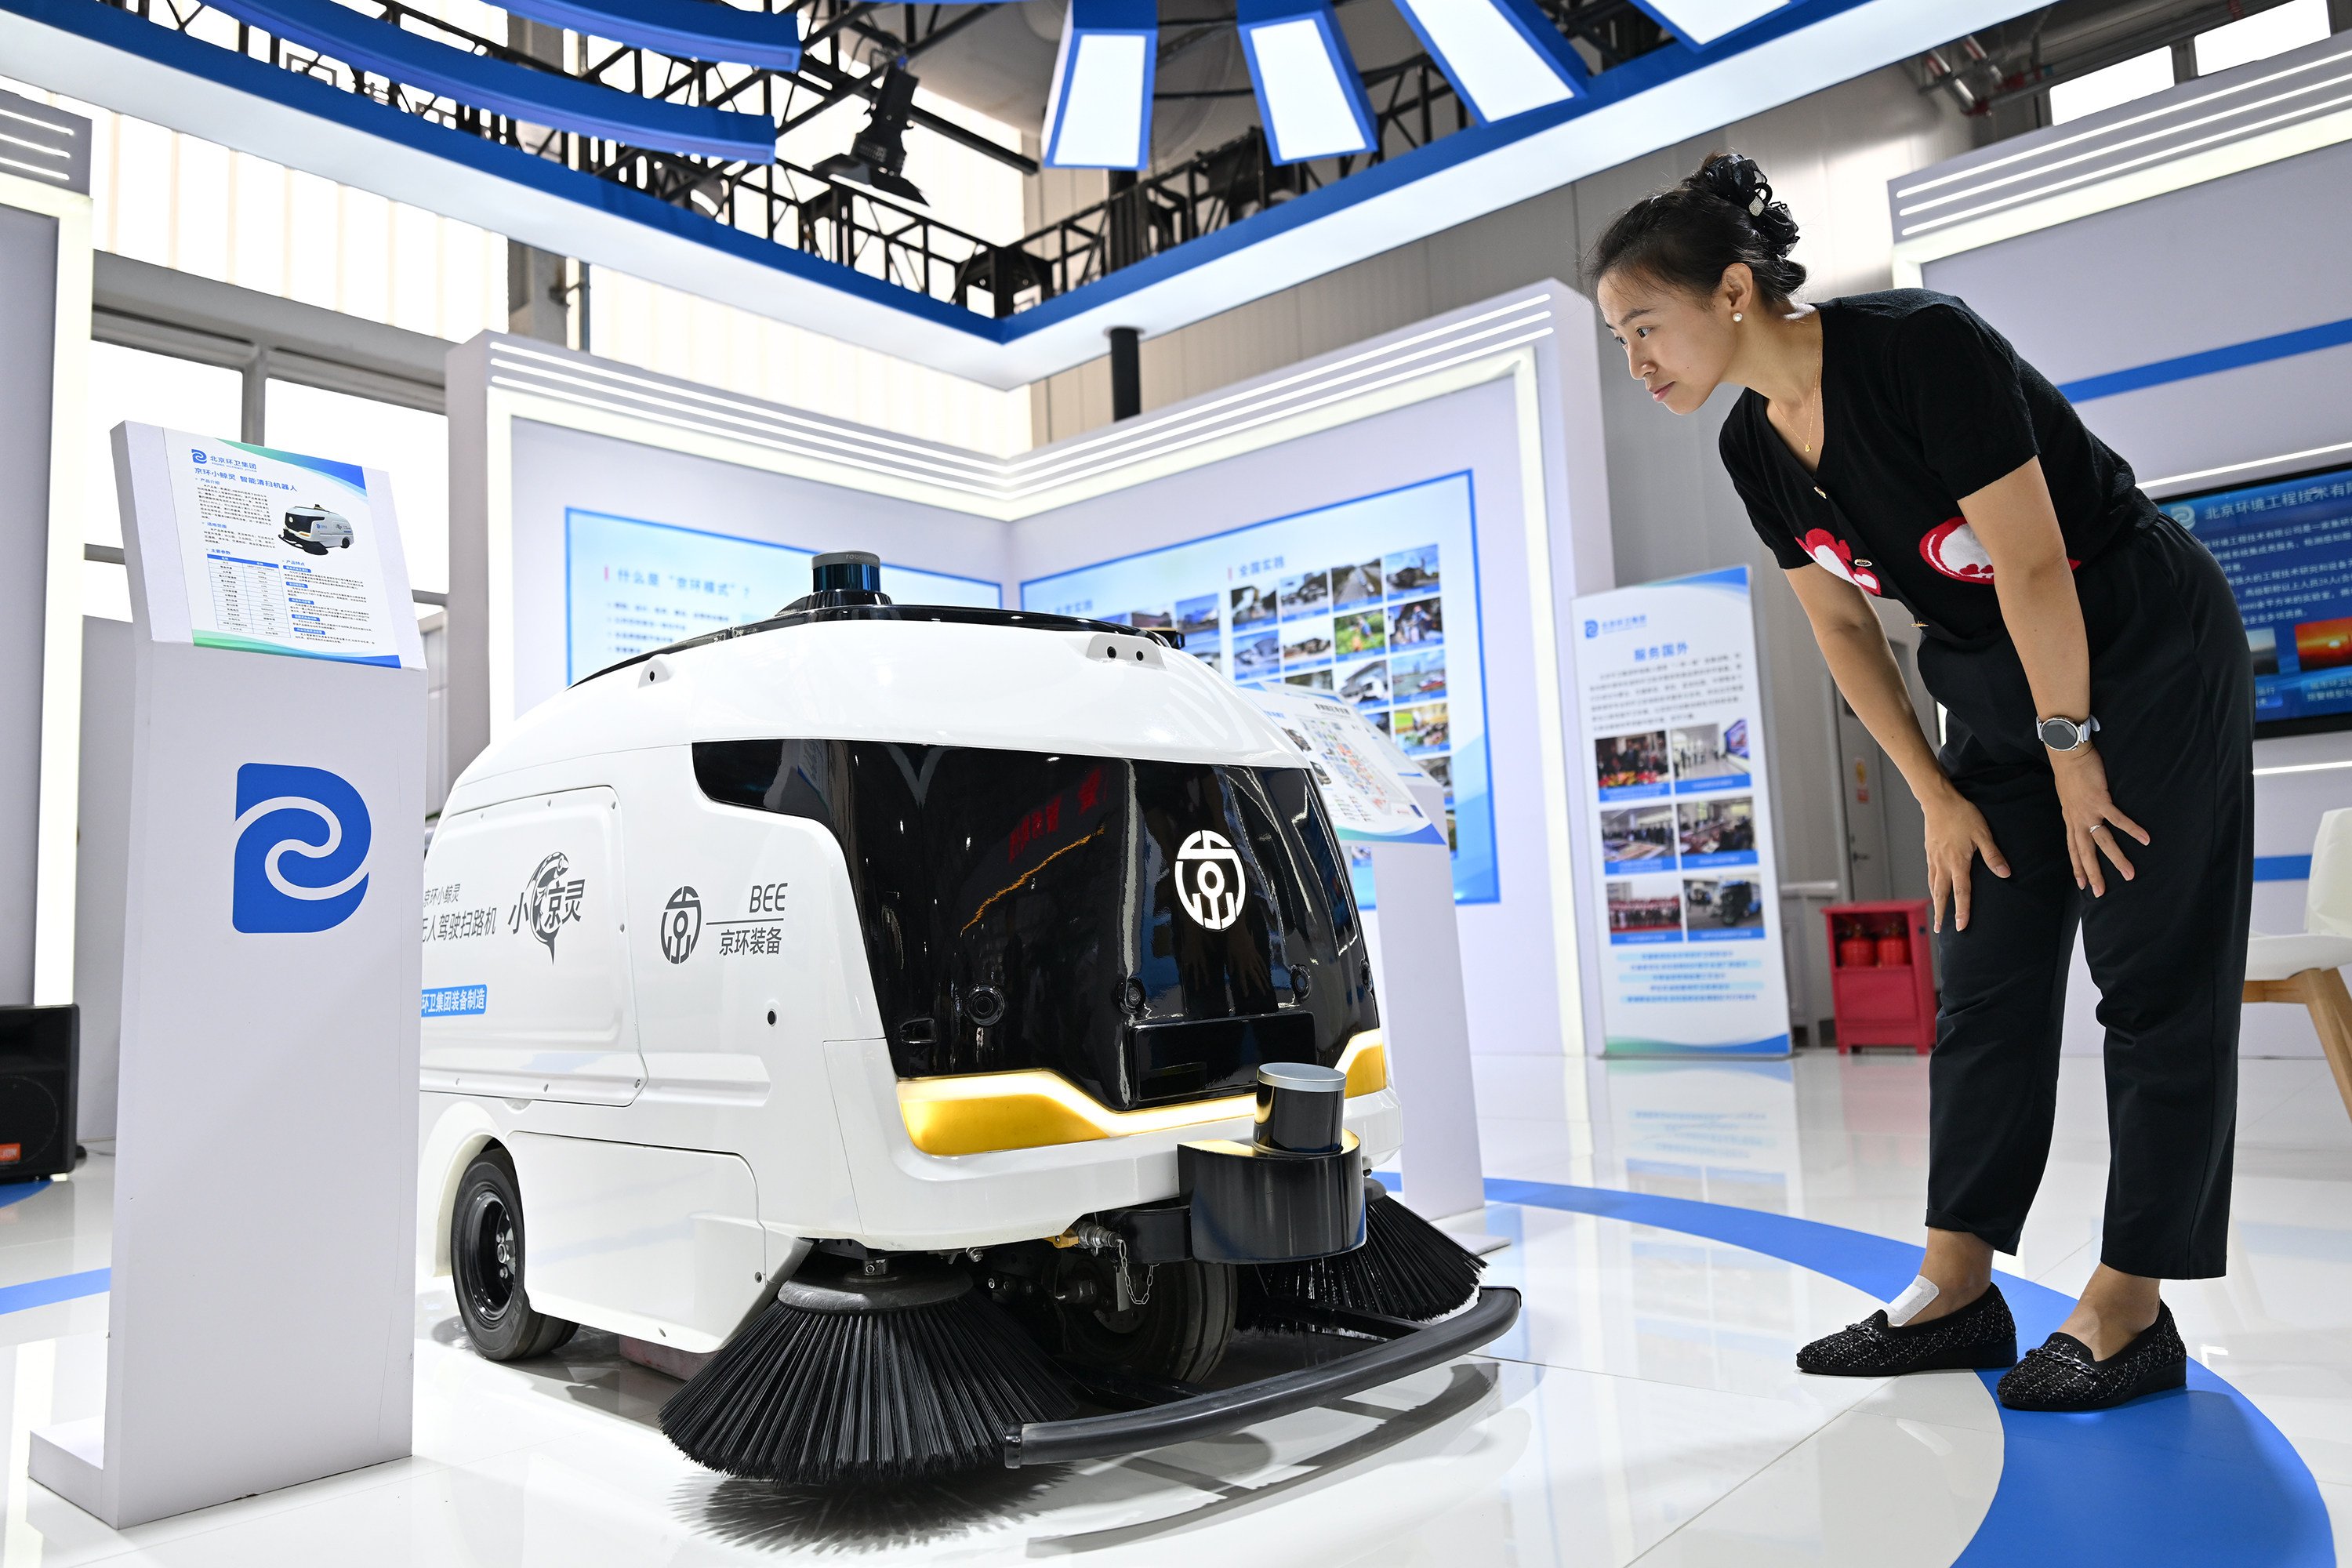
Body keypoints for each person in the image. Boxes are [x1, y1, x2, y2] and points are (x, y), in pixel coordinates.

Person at [1588, 153, 2252, 1412]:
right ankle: (1957, 1285)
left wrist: (2073, 756)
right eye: (1619, 340)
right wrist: (1940, 799)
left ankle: (2132, 1303)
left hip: (2139, 647)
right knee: (1983, 977)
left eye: (1642, 328)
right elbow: (1842, 632)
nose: (1636, 362)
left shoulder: (1918, 347)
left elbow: (2037, 563)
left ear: (1733, 291)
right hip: (1998, 687)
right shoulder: (1754, 444)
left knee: (2152, 971)